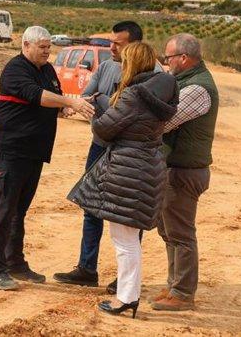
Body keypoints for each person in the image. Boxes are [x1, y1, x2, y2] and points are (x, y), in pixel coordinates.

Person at [68, 42, 178, 318]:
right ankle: (128, 295)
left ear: (133, 64)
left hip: (128, 170)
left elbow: (105, 130)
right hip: (145, 167)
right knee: (129, 239)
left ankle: (127, 297)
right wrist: (109, 102)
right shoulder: (160, 92)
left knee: (124, 241)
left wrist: (100, 108)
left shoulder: (133, 96)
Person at [0, 26, 95, 291]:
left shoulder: (46, 70)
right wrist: (71, 102)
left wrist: (60, 110)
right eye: (43, 47)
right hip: (9, 150)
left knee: (18, 211)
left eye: (49, 47)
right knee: (4, 210)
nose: (48, 51)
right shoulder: (15, 69)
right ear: (26, 45)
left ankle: (15, 263)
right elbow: (37, 95)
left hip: (33, 152)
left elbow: (43, 102)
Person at [54, 21, 159, 293]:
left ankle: (123, 281)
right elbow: (87, 99)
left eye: (118, 43)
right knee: (91, 207)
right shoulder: (106, 67)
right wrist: (103, 109)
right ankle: (87, 268)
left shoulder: (154, 75)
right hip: (100, 146)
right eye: (111, 42)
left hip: (130, 154)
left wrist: (108, 110)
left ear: (134, 45)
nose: (111, 47)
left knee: (128, 215)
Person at [151, 34, 218, 311]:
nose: (166, 63)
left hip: (184, 170)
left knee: (180, 233)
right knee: (168, 231)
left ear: (184, 58)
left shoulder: (197, 89)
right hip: (176, 167)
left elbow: (165, 122)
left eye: (168, 58)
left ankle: (182, 293)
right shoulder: (185, 82)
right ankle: (173, 285)